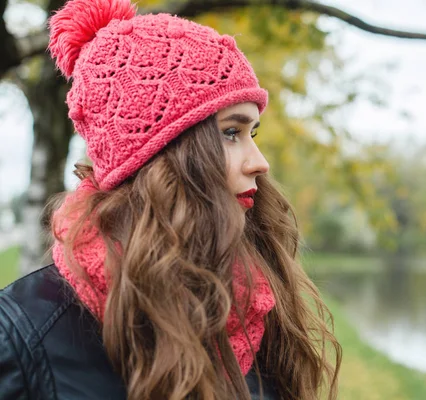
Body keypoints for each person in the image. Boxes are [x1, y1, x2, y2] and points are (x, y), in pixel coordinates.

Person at [0, 0, 342, 398]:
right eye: (232, 132)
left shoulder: (254, 307)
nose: (260, 163)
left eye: (254, 133)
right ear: (158, 155)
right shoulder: (24, 333)